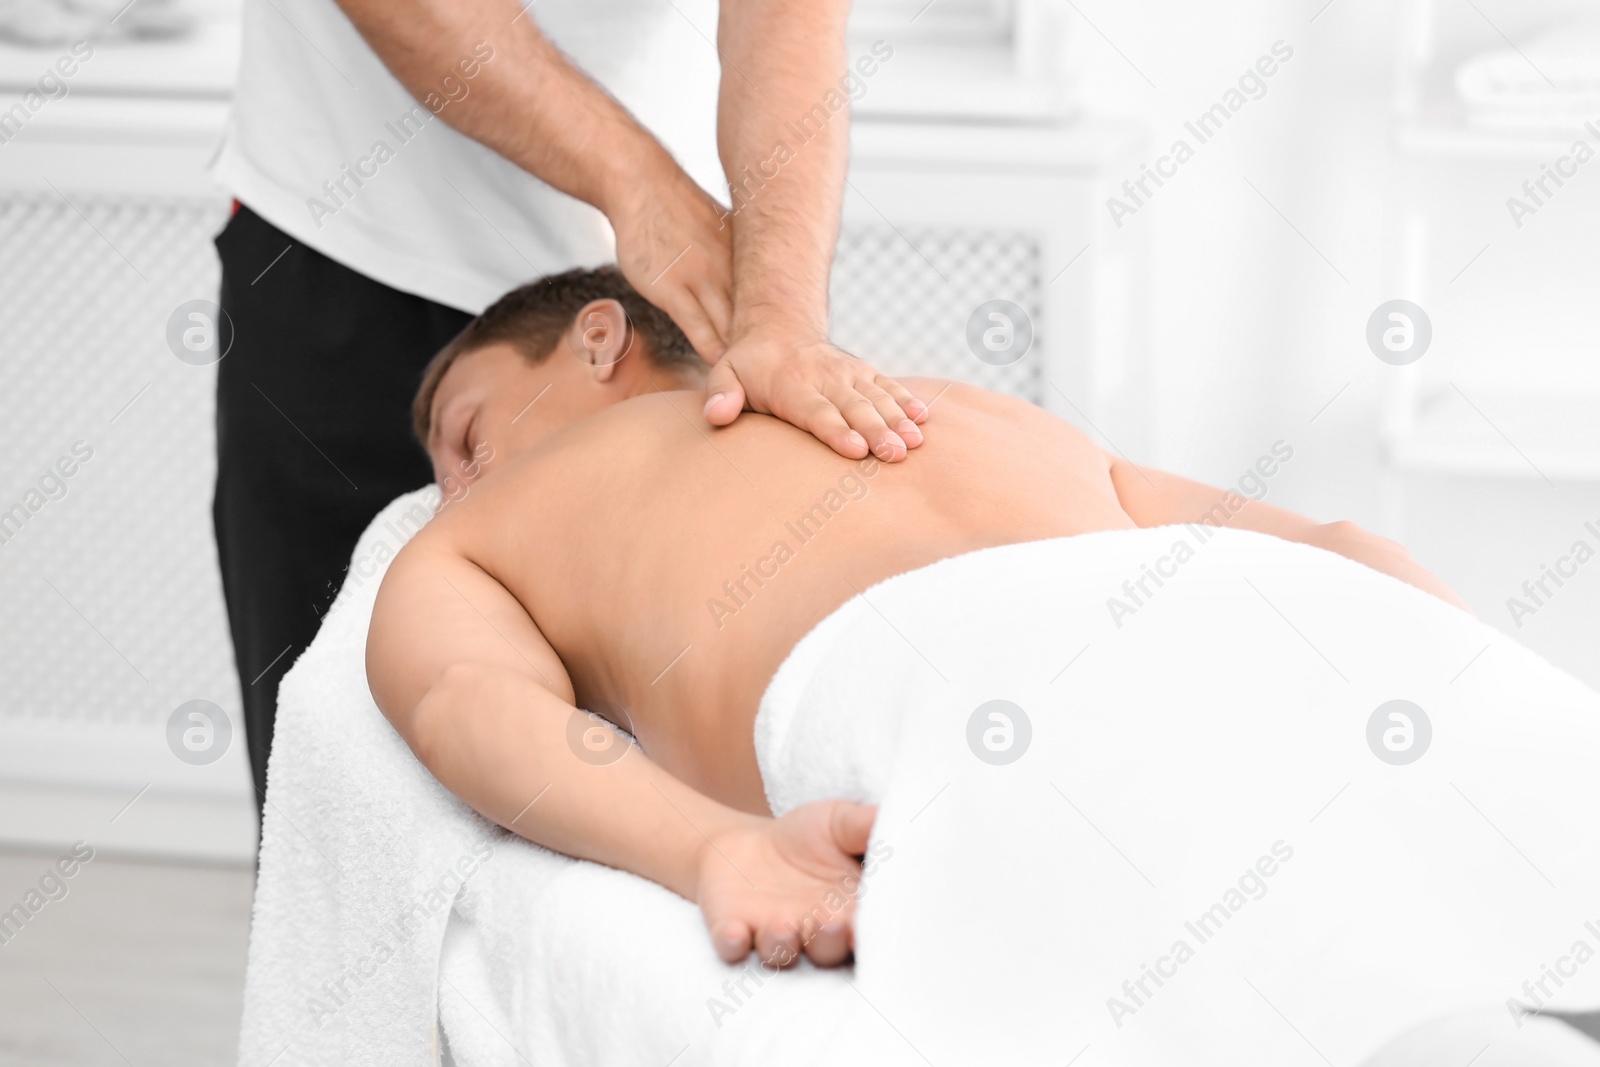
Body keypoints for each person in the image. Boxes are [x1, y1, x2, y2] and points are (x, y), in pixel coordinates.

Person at [364, 266, 1469, 969]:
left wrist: (718, 850)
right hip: (1220, 632)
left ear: (597, 336)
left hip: (979, 699)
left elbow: (466, 701)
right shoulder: (957, 409)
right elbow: (1341, 548)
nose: (454, 488)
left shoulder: (483, 529)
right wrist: (1456, 671)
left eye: (465, 435)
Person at [211, 0, 926, 815]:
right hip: (348, 240)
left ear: (600, 346)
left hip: (648, 269)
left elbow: (786, 19)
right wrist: (636, 183)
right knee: (329, 771)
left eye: (468, 445)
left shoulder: (758, 447)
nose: (451, 505)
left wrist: (782, 317)